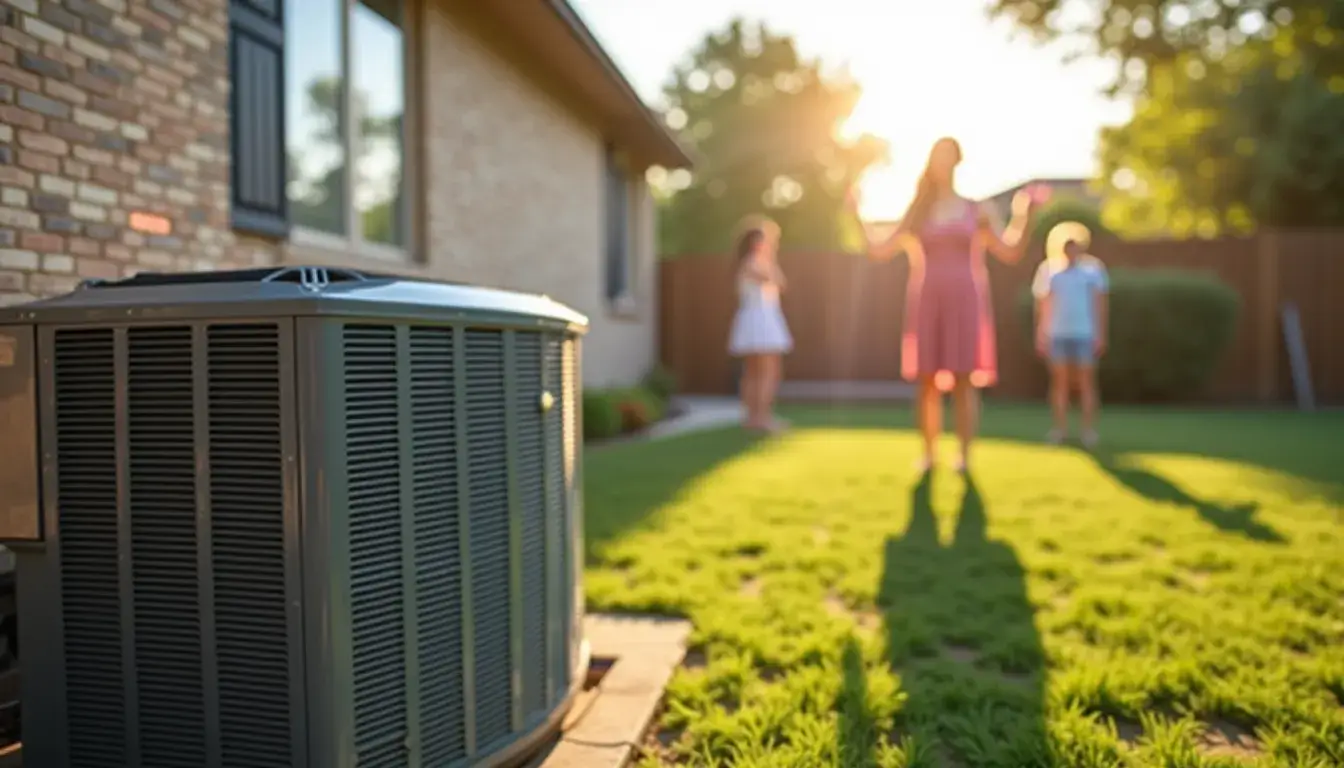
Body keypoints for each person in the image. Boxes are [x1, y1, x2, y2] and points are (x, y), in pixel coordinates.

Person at [851, 138, 1039, 472]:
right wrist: (855, 215)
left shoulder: (975, 209)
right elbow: (879, 250)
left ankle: (964, 456)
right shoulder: (918, 210)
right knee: (927, 381)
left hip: (965, 299)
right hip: (927, 300)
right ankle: (929, 454)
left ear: (957, 161)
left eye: (949, 156)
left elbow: (1009, 251)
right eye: (938, 155)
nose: (943, 162)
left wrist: (1025, 215)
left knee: (964, 379)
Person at [1033, 222, 1109, 447]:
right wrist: (1041, 333)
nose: (1071, 250)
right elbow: (1042, 306)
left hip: (1085, 334)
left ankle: (1088, 431)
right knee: (1059, 384)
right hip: (1057, 335)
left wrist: (1101, 334)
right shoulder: (1048, 271)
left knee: (1086, 384)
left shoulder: (1093, 271)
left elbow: (1100, 305)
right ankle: (1060, 429)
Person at [728, 217, 792, 433]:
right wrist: (770, 255)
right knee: (766, 372)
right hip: (760, 321)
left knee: (754, 372)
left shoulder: (748, 263)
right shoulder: (754, 262)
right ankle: (761, 417)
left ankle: (753, 417)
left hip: (757, 320)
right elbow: (779, 281)